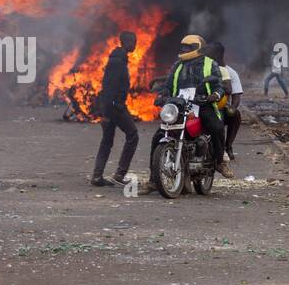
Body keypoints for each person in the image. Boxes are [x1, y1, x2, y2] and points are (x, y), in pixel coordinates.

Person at [157, 34, 234, 179]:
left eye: (188, 47)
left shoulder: (210, 64)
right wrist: (162, 95)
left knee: (217, 128)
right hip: (179, 106)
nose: (184, 49)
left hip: (203, 105)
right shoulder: (177, 65)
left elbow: (219, 85)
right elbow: (168, 86)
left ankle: (220, 161)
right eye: (183, 46)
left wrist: (215, 95)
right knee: (158, 136)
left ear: (198, 48)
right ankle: (153, 179)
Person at [90, 31, 139, 186]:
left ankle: (97, 177)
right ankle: (119, 174)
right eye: (133, 42)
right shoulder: (117, 61)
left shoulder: (119, 59)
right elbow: (109, 87)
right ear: (126, 42)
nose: (135, 45)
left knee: (107, 141)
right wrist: (106, 112)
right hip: (114, 107)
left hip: (111, 106)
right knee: (133, 135)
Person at [209, 42, 243, 161]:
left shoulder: (230, 73)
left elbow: (236, 94)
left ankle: (227, 146)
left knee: (235, 115)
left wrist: (232, 107)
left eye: (209, 53)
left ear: (217, 54)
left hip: (220, 107)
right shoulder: (203, 69)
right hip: (203, 105)